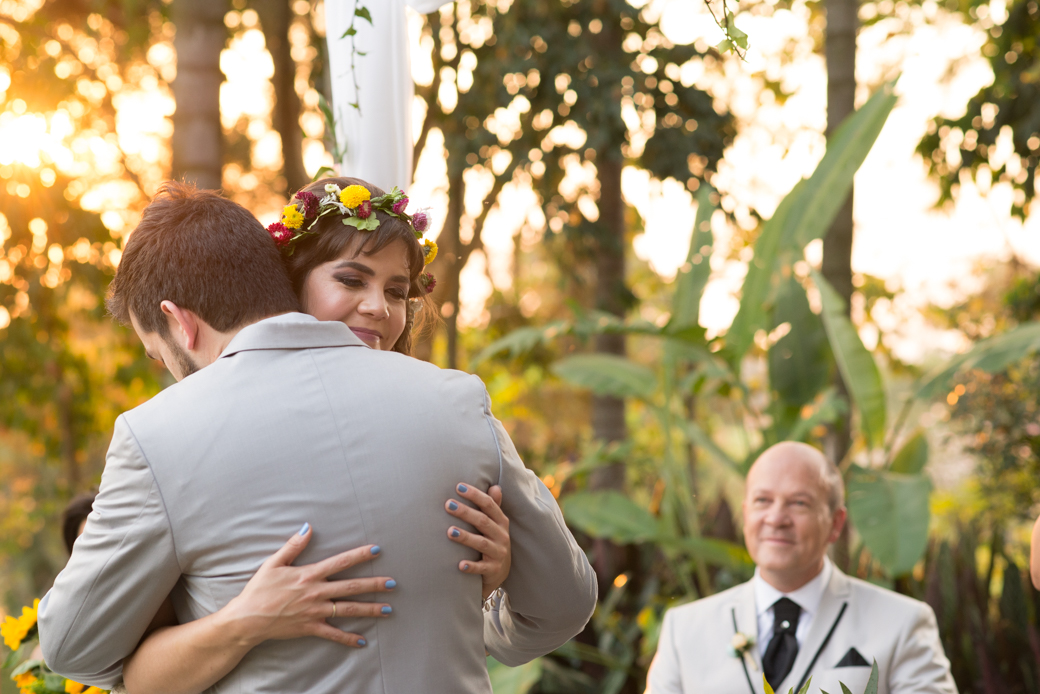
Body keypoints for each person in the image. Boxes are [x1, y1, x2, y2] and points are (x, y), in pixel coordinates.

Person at [38, 180, 598, 694]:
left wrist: (231, 627)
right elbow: (564, 603)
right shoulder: (460, 403)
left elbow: (70, 649)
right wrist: (470, 612)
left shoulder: (156, 432)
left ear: (178, 323)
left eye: (158, 354)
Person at [645, 442, 956, 694]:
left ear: (835, 524)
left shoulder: (903, 623)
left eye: (799, 503)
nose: (777, 519)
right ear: (745, 515)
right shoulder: (683, 630)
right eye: (762, 501)